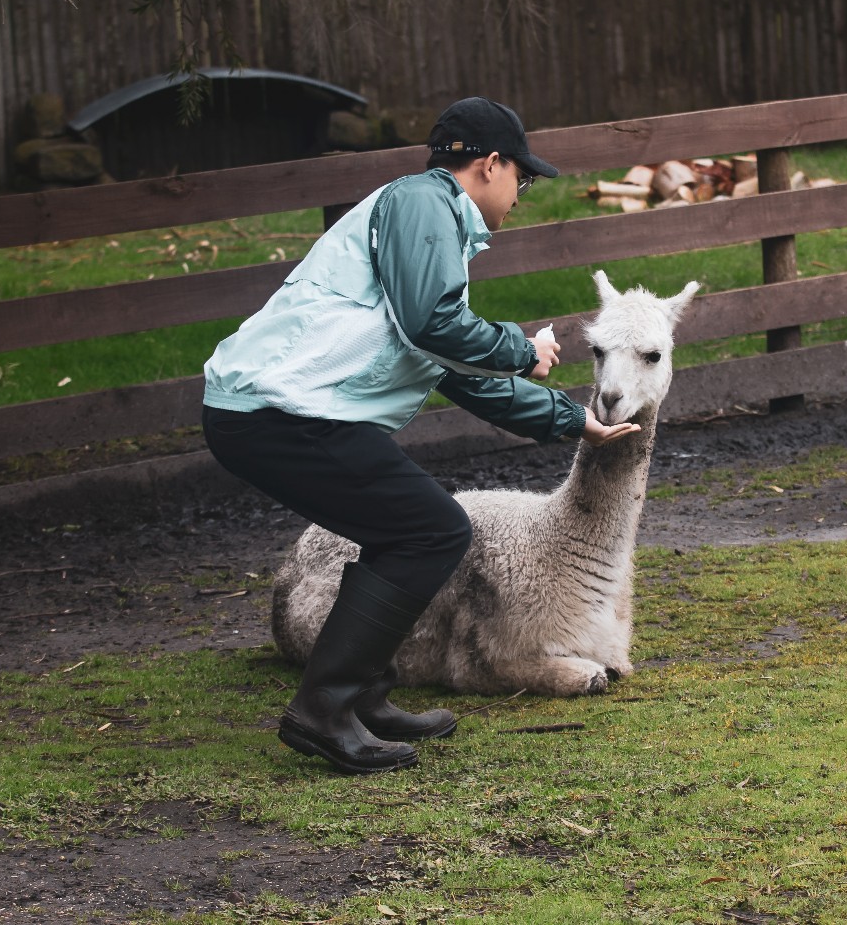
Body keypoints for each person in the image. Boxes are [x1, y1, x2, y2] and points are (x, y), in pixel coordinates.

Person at [201, 96, 641, 774]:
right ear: (490, 164)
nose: (522, 193)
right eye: (522, 176)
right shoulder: (421, 205)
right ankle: (324, 710)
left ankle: (363, 698)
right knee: (430, 527)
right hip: (274, 407)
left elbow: (454, 367)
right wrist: (520, 348)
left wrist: (567, 419)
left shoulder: (433, 233)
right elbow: (434, 325)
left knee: (407, 526)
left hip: (294, 409)